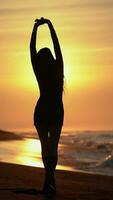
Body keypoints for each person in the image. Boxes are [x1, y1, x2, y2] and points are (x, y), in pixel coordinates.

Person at [30, 17, 64, 195]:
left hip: (42, 111)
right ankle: (50, 179)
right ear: (51, 57)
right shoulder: (59, 68)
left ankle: (47, 179)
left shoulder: (39, 70)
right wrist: (50, 25)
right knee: (53, 147)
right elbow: (57, 45)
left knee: (45, 147)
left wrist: (35, 28)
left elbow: (31, 49)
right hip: (56, 111)